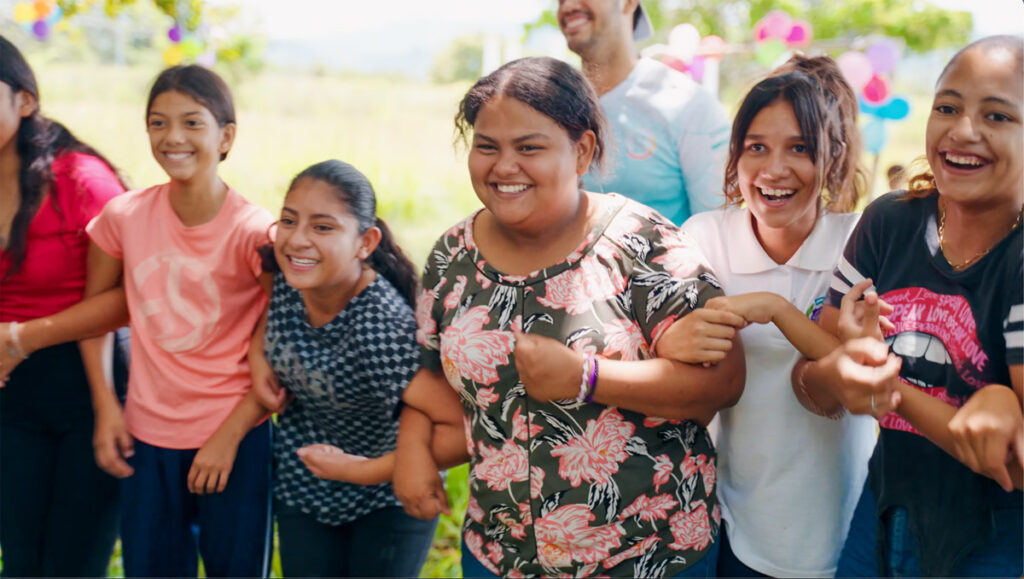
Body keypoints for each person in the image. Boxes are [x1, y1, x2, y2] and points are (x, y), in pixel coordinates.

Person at [394, 56, 745, 578]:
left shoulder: (643, 244)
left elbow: (723, 382)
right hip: (499, 556)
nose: (503, 166)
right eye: (486, 146)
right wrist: (410, 449)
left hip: (650, 555)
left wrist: (588, 377)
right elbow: (431, 378)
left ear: (581, 151)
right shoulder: (452, 256)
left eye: (529, 147)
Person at [0, 65, 275, 578]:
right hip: (147, 437)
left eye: (193, 123)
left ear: (226, 137)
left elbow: (280, 336)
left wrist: (231, 433)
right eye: (158, 123)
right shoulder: (123, 217)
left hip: (234, 438)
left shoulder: (254, 230)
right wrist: (108, 407)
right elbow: (96, 314)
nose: (173, 137)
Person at [801, 35, 1023, 577]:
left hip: (995, 539)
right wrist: (843, 366)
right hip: (880, 511)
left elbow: (1012, 463)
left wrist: (889, 389)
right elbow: (813, 387)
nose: (963, 130)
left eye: (997, 116)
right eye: (947, 106)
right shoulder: (888, 224)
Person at [653, 55, 877, 578]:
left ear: (832, 158)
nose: (774, 169)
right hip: (735, 524)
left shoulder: (860, 240)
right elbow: (676, 357)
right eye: (757, 147)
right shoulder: (706, 238)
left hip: (842, 529)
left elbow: (859, 374)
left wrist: (776, 311)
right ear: (735, 155)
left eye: (799, 148)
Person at [247, 159, 465, 577]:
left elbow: (459, 426)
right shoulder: (290, 279)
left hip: (387, 496)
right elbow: (271, 319)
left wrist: (363, 471)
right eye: (289, 220)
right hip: (305, 486)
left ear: (365, 242)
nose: (297, 240)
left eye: (323, 227)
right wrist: (260, 358)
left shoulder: (377, 325)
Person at [0, 35, 127, 577]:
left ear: (25, 100)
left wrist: (22, 338)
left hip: (89, 383)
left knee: (73, 564)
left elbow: (129, 297)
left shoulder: (81, 181)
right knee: (22, 561)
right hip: (8, 389)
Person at [556, 0, 731, 225]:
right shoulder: (550, 106)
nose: (567, 6)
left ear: (629, 3)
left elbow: (719, 233)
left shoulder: (691, 106)